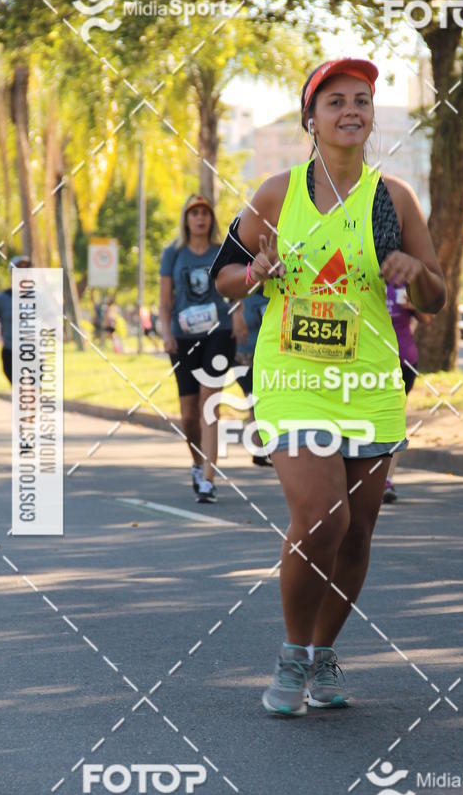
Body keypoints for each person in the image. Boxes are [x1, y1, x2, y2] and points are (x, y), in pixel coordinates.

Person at [212, 58, 446, 716]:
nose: (351, 110)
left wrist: (413, 273)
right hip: (292, 377)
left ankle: (323, 651)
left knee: (358, 533)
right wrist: (255, 271)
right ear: (310, 119)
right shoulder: (275, 194)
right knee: (324, 517)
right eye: (335, 100)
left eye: (362, 100)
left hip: (369, 381)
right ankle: (293, 655)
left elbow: (436, 293)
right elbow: (223, 274)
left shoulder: (393, 198)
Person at [159, 194, 239, 503]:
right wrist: (166, 333)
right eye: (194, 213)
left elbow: (234, 288)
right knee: (189, 414)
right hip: (183, 337)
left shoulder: (221, 251)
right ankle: (197, 461)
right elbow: (165, 301)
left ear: (211, 219)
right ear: (186, 219)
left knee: (209, 401)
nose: (200, 218)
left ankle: (208, 478)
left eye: (205, 213)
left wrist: (239, 315)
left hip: (219, 333)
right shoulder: (173, 254)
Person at [382, 281, 431, 503]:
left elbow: (427, 317)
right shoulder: (360, 275)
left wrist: (414, 304)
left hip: (404, 362)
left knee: (394, 418)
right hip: (368, 364)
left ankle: (386, 479)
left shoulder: (403, 283)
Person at [234, 291, 272, 466]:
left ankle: (265, 447)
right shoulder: (244, 296)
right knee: (254, 401)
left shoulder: (275, 296)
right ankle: (259, 449)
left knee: (266, 402)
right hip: (245, 357)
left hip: (270, 360)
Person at [0, 254, 32, 384]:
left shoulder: (39, 297)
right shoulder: (1, 298)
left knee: (33, 389)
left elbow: (50, 320)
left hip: (34, 352)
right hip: (10, 351)